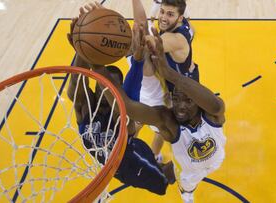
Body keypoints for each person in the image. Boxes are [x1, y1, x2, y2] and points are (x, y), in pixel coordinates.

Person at [90, 26, 226, 203]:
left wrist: (169, 73)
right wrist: (97, 66)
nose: (179, 106)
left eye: (187, 101)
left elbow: (216, 105)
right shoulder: (168, 121)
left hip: (217, 160)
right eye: (175, 99)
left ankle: (180, 182)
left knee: (187, 171)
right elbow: (127, 106)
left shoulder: (212, 114)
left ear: (199, 103)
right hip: (187, 172)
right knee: (185, 184)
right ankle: (186, 193)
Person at [66, 3, 174, 195]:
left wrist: (138, 62)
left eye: (115, 86)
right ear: (98, 87)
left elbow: (127, 99)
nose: (109, 88)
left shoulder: (121, 115)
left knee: (163, 182)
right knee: (163, 183)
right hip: (124, 168)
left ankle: (166, 168)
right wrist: (81, 46)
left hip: (133, 156)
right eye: (106, 84)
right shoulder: (87, 108)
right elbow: (77, 84)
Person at [129, 0, 198, 162]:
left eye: (170, 14)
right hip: (172, 85)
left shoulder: (173, 38)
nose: (163, 18)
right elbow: (141, 26)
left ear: (180, 18)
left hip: (179, 97)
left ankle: (152, 157)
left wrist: (119, 36)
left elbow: (149, 43)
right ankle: (148, 153)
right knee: (153, 125)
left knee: (162, 129)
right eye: (162, 12)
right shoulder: (182, 26)